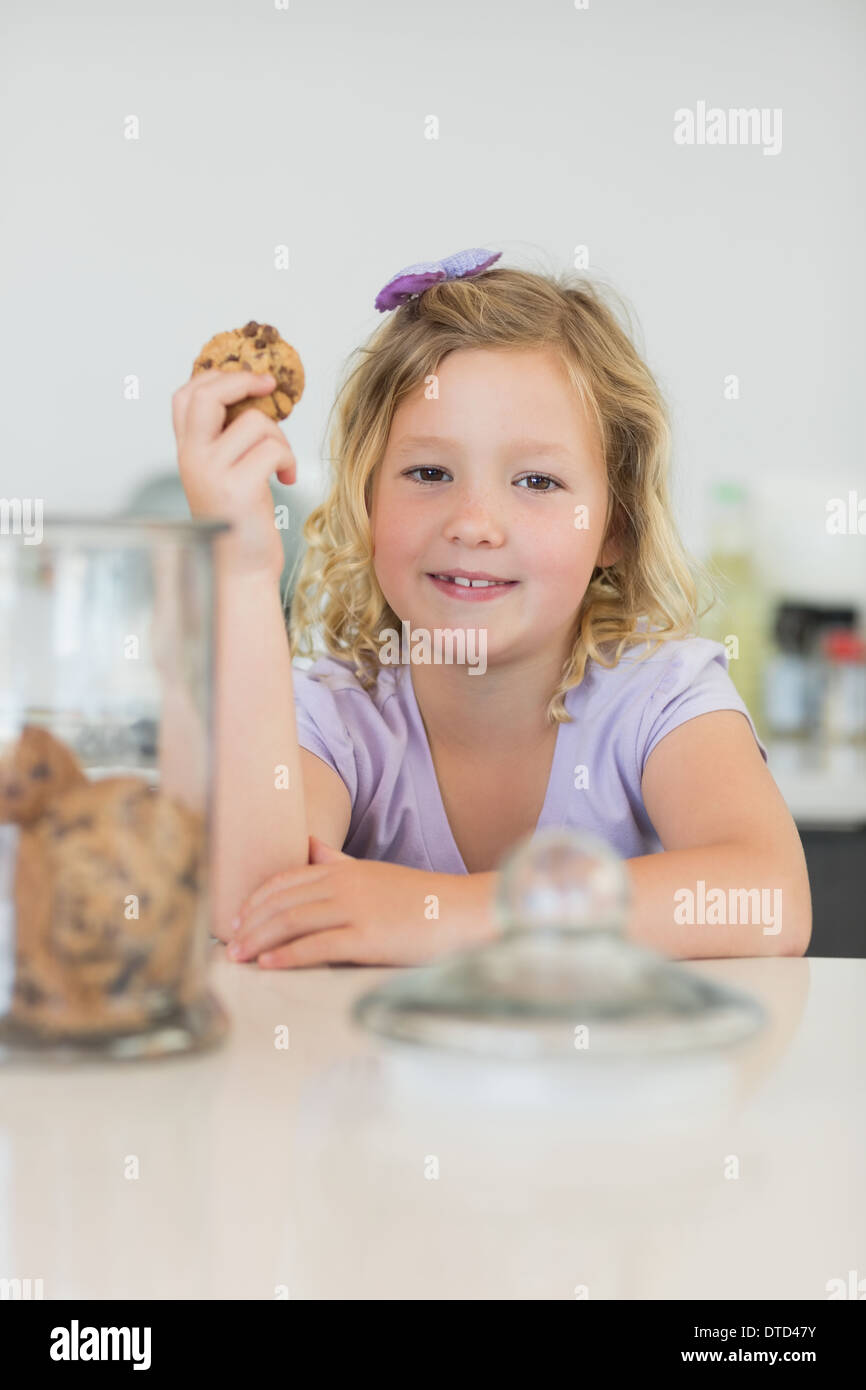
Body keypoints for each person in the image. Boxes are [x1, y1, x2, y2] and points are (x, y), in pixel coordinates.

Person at [171, 249, 811, 968]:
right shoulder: (341, 713)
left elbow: (769, 898)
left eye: (537, 480)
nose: (474, 522)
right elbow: (251, 912)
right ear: (366, 497)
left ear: (615, 525)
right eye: (429, 472)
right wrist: (243, 567)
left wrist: (443, 915)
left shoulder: (658, 697)